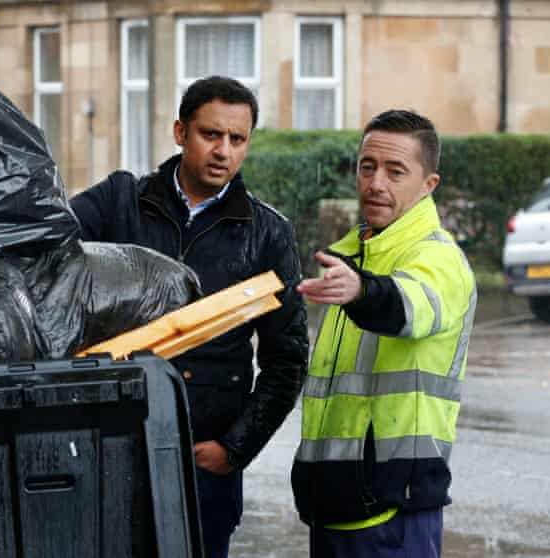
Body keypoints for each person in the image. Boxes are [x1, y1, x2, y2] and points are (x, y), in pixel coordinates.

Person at [70, 76, 309, 558]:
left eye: (237, 139)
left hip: (204, 465)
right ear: (180, 132)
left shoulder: (267, 234)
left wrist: (235, 449)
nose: (223, 150)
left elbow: (288, 360)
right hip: (111, 447)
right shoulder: (120, 201)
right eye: (210, 134)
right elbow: (45, 246)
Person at [292, 109, 477, 557]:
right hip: (332, 506)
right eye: (367, 167)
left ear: (428, 185)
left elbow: (407, 306)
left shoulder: (438, 259)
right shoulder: (351, 255)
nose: (376, 183)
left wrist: (361, 290)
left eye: (396, 171)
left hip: (393, 514)